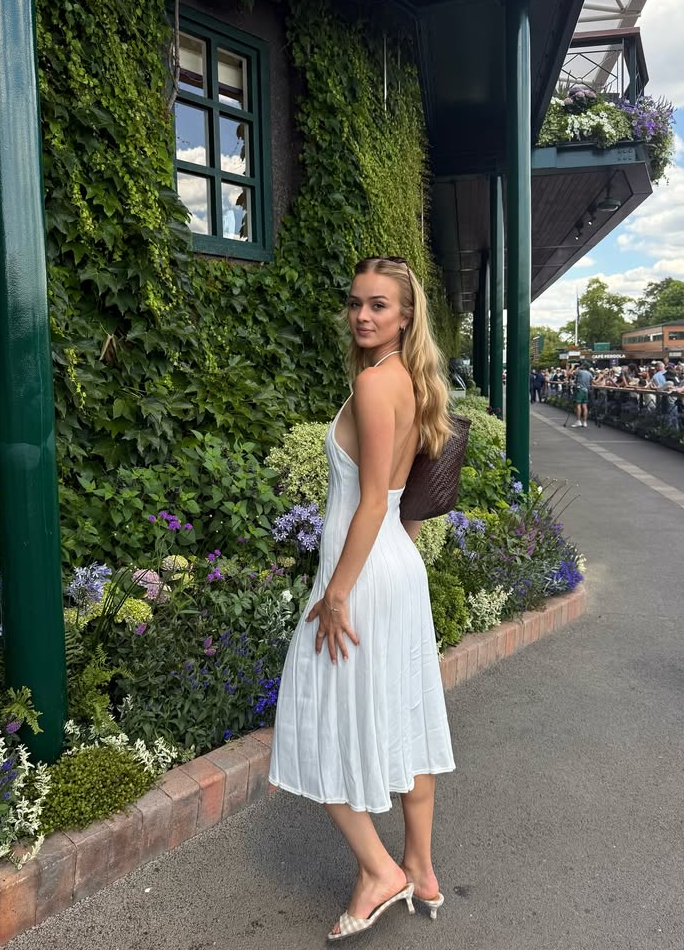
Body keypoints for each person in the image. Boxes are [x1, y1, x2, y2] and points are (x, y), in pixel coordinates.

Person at [269, 256, 455, 940]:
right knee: (401, 715)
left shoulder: (378, 384)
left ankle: (382, 872)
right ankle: (424, 872)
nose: (363, 316)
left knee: (317, 718)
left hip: (363, 575)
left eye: (378, 305)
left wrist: (338, 593)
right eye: (355, 303)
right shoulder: (407, 380)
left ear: (405, 315)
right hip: (394, 570)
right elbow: (399, 498)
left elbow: (373, 500)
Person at [571, 362, 592, 427]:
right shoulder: (590, 373)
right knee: (584, 406)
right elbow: (594, 382)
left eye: (582, 365)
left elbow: (569, 373)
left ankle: (578, 421)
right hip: (586, 390)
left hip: (579, 390)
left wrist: (572, 367)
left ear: (584, 366)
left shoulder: (579, 371)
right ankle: (585, 422)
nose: (581, 365)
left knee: (578, 405)